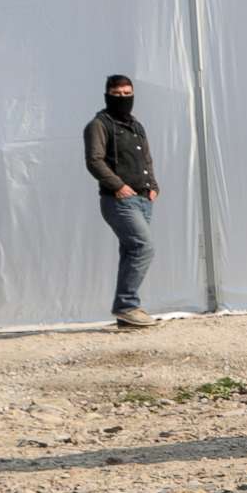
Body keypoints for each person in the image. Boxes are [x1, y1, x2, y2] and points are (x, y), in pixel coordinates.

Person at [84, 74, 159, 329]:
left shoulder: (137, 126)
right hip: (119, 200)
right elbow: (94, 160)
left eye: (128, 94)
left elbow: (146, 159)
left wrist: (153, 187)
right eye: (117, 95)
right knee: (143, 246)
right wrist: (118, 185)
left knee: (130, 251)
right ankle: (127, 305)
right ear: (107, 95)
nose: (123, 99)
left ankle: (126, 318)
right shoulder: (99, 125)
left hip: (143, 199)